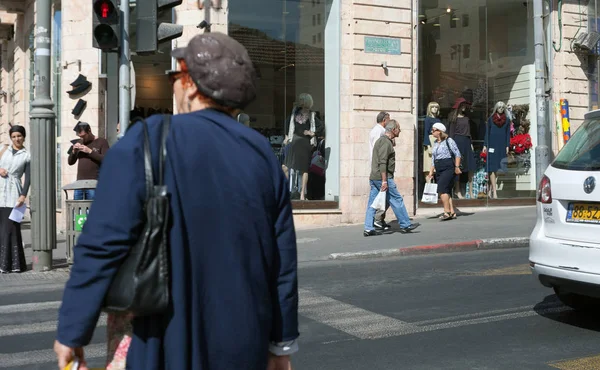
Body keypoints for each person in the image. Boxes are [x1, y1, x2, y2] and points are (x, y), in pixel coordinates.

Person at [54, 32, 299, 370]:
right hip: (245, 342)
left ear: (191, 84)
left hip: (160, 340)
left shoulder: (148, 139)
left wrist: (72, 330)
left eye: (175, 77)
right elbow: (281, 265)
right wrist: (280, 346)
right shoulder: (262, 155)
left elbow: (101, 244)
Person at [364, 120, 420, 237]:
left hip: (374, 177)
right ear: (393, 130)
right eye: (399, 129)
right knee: (396, 199)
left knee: (372, 203)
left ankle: (368, 227)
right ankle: (405, 224)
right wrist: (384, 180)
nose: (400, 131)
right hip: (383, 178)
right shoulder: (385, 143)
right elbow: (383, 162)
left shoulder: (382, 141)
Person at [0, 125, 30, 273]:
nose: (17, 139)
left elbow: (29, 178)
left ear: (24, 136)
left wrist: (23, 195)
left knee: (12, 228)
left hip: (14, 193)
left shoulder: (27, 155)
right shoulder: (3, 149)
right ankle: (3, 265)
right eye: (14, 136)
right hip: (0, 191)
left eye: (19, 136)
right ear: (10, 138)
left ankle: (15, 264)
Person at [427, 122, 462, 221]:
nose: (432, 132)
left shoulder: (449, 141)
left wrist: (457, 166)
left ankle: (446, 212)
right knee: (446, 190)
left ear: (439, 131)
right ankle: (452, 211)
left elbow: (457, 154)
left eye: (433, 130)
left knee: (442, 189)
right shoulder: (435, 143)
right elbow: (433, 158)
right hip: (439, 167)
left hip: (448, 167)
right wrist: (431, 171)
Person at [67, 122, 110, 200]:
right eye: (80, 137)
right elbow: (70, 162)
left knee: (92, 208)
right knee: (78, 209)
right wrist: (73, 152)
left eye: (84, 136)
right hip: (79, 183)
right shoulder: (79, 142)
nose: (82, 139)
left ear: (89, 131)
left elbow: (107, 160)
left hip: (94, 183)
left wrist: (90, 151)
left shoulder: (102, 142)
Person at [369, 111, 391, 231]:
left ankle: (379, 220)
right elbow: (381, 151)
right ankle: (377, 220)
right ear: (384, 120)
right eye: (389, 120)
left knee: (380, 196)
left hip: (376, 167)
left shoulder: (374, 130)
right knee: (385, 196)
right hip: (379, 169)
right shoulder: (380, 131)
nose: (389, 122)